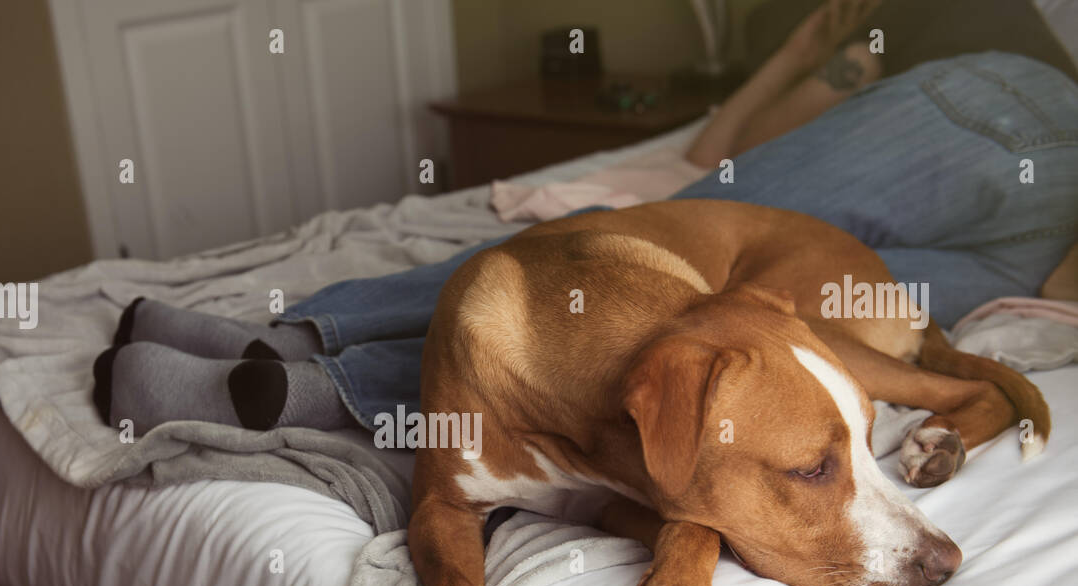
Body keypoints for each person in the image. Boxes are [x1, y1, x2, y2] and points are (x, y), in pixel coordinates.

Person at [92, 4, 1078, 436]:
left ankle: (303, 355)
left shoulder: (923, 29)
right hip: (1033, 203)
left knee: (678, 282)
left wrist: (803, 57)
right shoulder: (904, 29)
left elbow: (725, 157)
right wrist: (790, 54)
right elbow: (716, 150)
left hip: (1015, 160)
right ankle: (299, 364)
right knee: (692, 290)